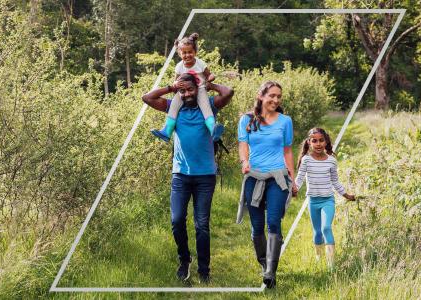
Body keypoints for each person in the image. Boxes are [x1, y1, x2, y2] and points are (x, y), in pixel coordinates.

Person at [142, 72, 234, 283]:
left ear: (197, 89)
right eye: (183, 91)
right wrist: (171, 88)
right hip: (180, 175)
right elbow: (147, 98)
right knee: (176, 221)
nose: (186, 94)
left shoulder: (209, 105)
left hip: (205, 176)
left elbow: (228, 92)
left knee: (202, 224)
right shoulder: (174, 107)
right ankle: (184, 260)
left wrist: (208, 86)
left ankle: (204, 270)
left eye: (190, 89)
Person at [236, 81, 295, 289]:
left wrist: (293, 179)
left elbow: (287, 150)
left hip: (278, 178)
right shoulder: (247, 119)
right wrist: (245, 162)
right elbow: (243, 144)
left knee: (274, 222)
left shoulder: (285, 121)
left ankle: (271, 271)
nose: (276, 100)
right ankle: (263, 262)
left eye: (279, 96)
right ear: (261, 96)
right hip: (254, 177)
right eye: (272, 95)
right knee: (257, 225)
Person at [293, 127, 355, 270]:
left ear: (326, 142)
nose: (318, 144)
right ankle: (318, 257)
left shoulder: (331, 161)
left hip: (328, 200)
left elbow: (335, 181)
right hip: (313, 201)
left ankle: (331, 266)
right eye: (314, 141)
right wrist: (294, 189)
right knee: (317, 232)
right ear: (309, 143)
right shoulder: (306, 160)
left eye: (321, 140)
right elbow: (300, 178)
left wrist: (346, 195)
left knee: (326, 227)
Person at [150, 33, 217, 142]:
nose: (187, 55)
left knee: (206, 107)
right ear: (180, 54)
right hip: (182, 91)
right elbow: (175, 80)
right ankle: (167, 131)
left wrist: (210, 78)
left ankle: (212, 128)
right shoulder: (179, 66)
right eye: (184, 53)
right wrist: (176, 84)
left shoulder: (200, 63)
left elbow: (208, 74)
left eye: (190, 52)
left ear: (195, 52)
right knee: (173, 106)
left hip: (199, 89)